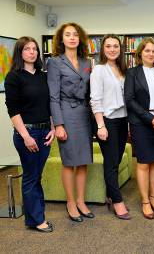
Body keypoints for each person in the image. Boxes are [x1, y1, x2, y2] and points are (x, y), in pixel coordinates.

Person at [4, 37, 55, 232]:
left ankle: (35, 217)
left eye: (34, 49)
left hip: (44, 132)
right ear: (20, 52)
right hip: (28, 132)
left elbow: (48, 105)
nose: (32, 52)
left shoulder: (43, 76)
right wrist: (26, 136)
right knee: (31, 177)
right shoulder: (14, 77)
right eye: (27, 49)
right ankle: (37, 220)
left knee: (36, 176)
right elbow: (13, 110)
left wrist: (52, 128)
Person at [47, 22, 94, 222]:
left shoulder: (87, 62)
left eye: (75, 34)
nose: (72, 38)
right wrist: (58, 124)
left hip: (84, 113)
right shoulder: (55, 62)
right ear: (61, 39)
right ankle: (70, 202)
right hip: (66, 114)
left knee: (83, 161)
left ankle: (81, 201)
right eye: (68, 34)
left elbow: (91, 91)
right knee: (69, 162)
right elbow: (53, 97)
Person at [124, 37, 154, 220]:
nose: (151, 54)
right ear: (140, 53)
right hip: (141, 123)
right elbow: (130, 100)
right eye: (147, 50)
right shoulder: (132, 73)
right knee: (143, 162)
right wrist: (150, 119)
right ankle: (145, 202)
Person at [90, 34, 130, 220]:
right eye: (108, 46)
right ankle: (117, 202)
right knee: (111, 163)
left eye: (116, 46)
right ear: (103, 49)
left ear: (120, 49)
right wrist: (100, 126)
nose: (112, 49)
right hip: (107, 121)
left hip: (123, 121)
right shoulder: (99, 70)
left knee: (116, 160)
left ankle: (109, 195)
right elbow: (95, 100)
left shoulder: (123, 69)